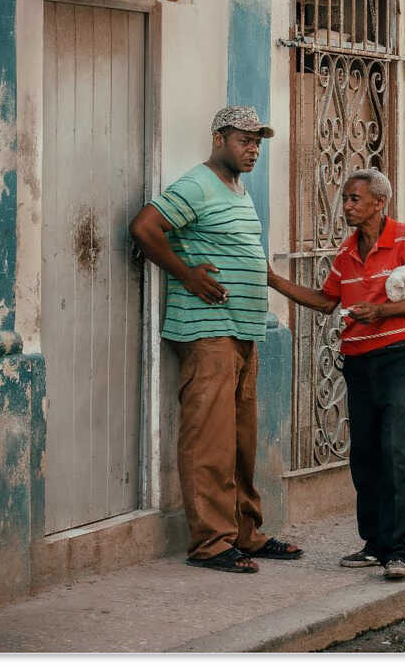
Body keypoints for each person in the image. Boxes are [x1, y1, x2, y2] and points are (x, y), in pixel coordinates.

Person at [129, 106, 302, 574]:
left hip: (243, 331)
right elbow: (144, 228)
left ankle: (245, 534)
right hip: (209, 331)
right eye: (244, 140)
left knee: (241, 443)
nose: (253, 150)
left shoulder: (238, 192)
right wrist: (187, 275)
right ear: (219, 139)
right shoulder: (197, 184)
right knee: (210, 441)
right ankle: (211, 543)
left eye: (257, 142)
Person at [267, 168, 405, 580]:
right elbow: (326, 301)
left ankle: (398, 551)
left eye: (354, 199)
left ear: (379, 203)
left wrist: (380, 311)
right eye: (345, 198)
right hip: (358, 361)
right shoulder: (346, 253)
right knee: (364, 455)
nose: (346, 206)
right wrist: (273, 281)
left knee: (394, 450)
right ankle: (374, 545)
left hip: (397, 358)